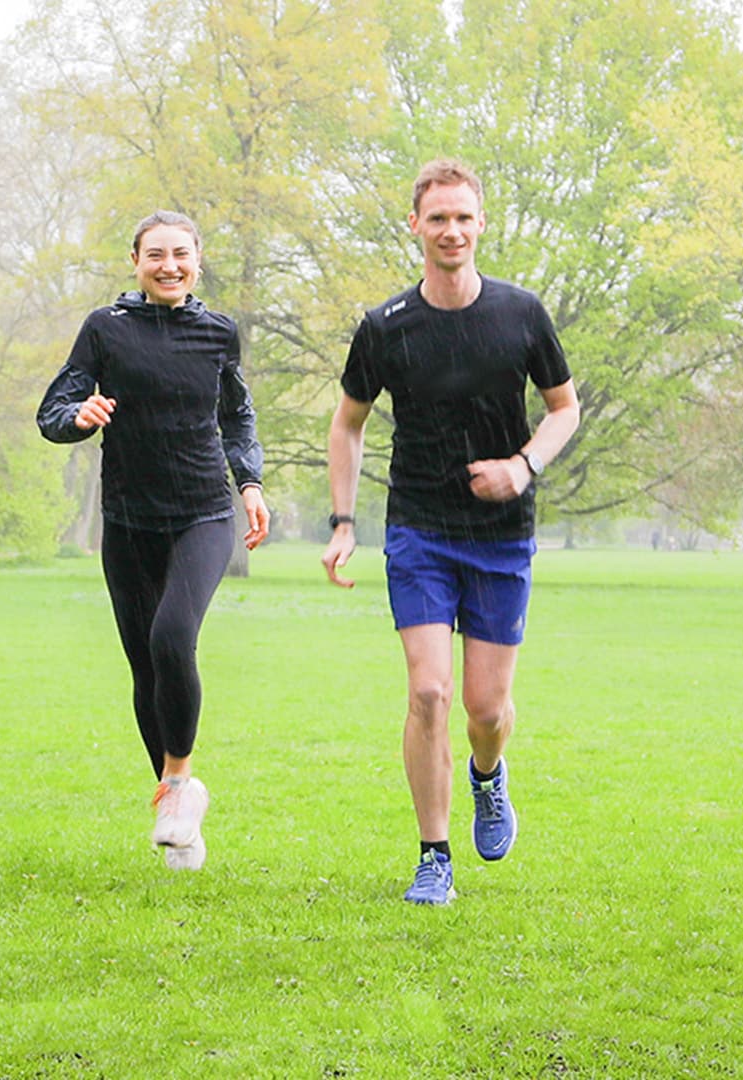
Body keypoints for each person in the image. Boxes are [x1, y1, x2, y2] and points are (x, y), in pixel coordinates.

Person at [322, 159, 580, 905]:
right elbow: (348, 424)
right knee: (429, 692)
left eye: (464, 217)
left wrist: (523, 467)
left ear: (481, 224)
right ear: (415, 226)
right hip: (420, 531)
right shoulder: (385, 328)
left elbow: (565, 408)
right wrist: (344, 522)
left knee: (485, 710)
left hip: (501, 535)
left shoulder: (522, 314)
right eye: (438, 218)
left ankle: (488, 777)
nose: (452, 230)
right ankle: (434, 856)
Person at [37, 210, 268, 872]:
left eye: (181, 254)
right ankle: (177, 802)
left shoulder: (219, 334)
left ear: (199, 260)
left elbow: (237, 416)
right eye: (156, 254)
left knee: (173, 639)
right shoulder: (106, 330)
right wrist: (77, 418)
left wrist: (249, 483)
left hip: (202, 515)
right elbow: (53, 410)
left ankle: (180, 778)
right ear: (134, 262)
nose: (169, 265)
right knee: (145, 667)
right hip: (130, 520)